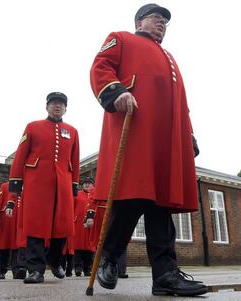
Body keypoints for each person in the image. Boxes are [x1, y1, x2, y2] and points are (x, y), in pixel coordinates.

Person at [89, 3, 206, 296]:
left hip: (166, 141)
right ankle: (109, 256)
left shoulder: (170, 57)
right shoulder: (122, 38)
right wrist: (116, 92)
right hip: (137, 130)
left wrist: (187, 134)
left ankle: (165, 276)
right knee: (132, 198)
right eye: (157, 19)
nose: (162, 24)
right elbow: (100, 67)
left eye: (166, 22)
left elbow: (180, 102)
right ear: (140, 21)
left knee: (162, 205)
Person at [9, 92, 80, 284]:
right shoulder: (33, 127)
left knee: (62, 225)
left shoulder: (72, 131)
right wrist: (16, 181)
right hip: (36, 183)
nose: (58, 106)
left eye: (61, 104)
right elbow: (21, 154)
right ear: (47, 106)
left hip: (63, 183)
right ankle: (36, 270)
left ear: (66, 108)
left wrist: (74, 184)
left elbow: (74, 159)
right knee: (35, 225)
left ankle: (55, 261)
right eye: (54, 103)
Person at [0, 182, 19, 279]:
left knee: (18, 247)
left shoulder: (27, 184)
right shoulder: (5, 186)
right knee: (4, 246)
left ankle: (17, 271)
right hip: (7, 219)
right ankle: (1, 271)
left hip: (20, 220)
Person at [73, 177, 95, 277]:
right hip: (79, 225)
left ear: (93, 185)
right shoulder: (77, 194)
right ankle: (78, 268)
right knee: (79, 247)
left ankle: (88, 269)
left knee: (90, 248)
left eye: (89, 183)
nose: (86, 185)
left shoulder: (95, 195)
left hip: (91, 225)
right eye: (85, 183)